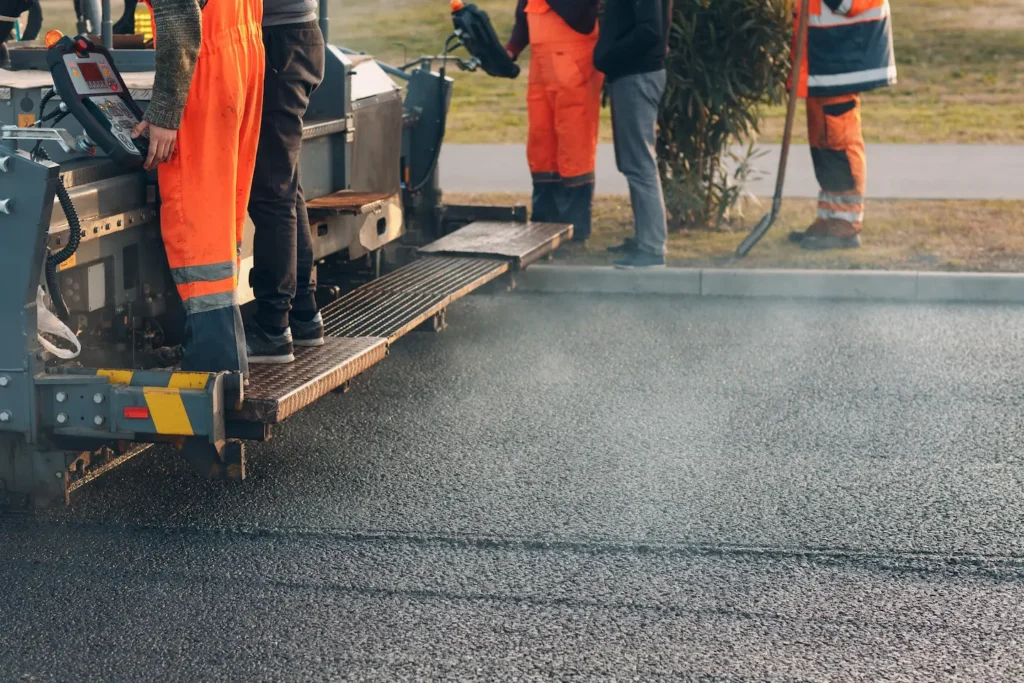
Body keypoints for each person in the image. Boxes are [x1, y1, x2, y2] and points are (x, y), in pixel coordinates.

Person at [132, 0, 264, 375]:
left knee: (199, 225)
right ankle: (224, 354)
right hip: (242, 51)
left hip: (207, 68)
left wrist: (164, 112)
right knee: (223, 218)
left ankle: (215, 365)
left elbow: (179, 16)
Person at [243, 0, 326, 364]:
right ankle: (303, 313)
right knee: (286, 190)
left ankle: (273, 328)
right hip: (294, 37)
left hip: (279, 41)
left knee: (273, 193)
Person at [788, 0, 897, 251]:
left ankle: (846, 223)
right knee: (822, 139)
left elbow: (846, 4)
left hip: (845, 50)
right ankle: (830, 216)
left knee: (839, 141)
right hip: (824, 51)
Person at [506, 0, 601, 243]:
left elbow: (583, 17)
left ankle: (574, 229)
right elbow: (525, 12)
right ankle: (544, 224)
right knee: (541, 143)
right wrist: (512, 49)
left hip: (575, 64)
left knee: (574, 143)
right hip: (542, 65)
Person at [593, 0, 672, 269]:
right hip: (632, 73)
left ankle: (651, 248)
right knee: (633, 162)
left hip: (637, 73)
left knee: (640, 163)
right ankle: (644, 240)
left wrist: (609, 55)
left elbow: (650, 31)